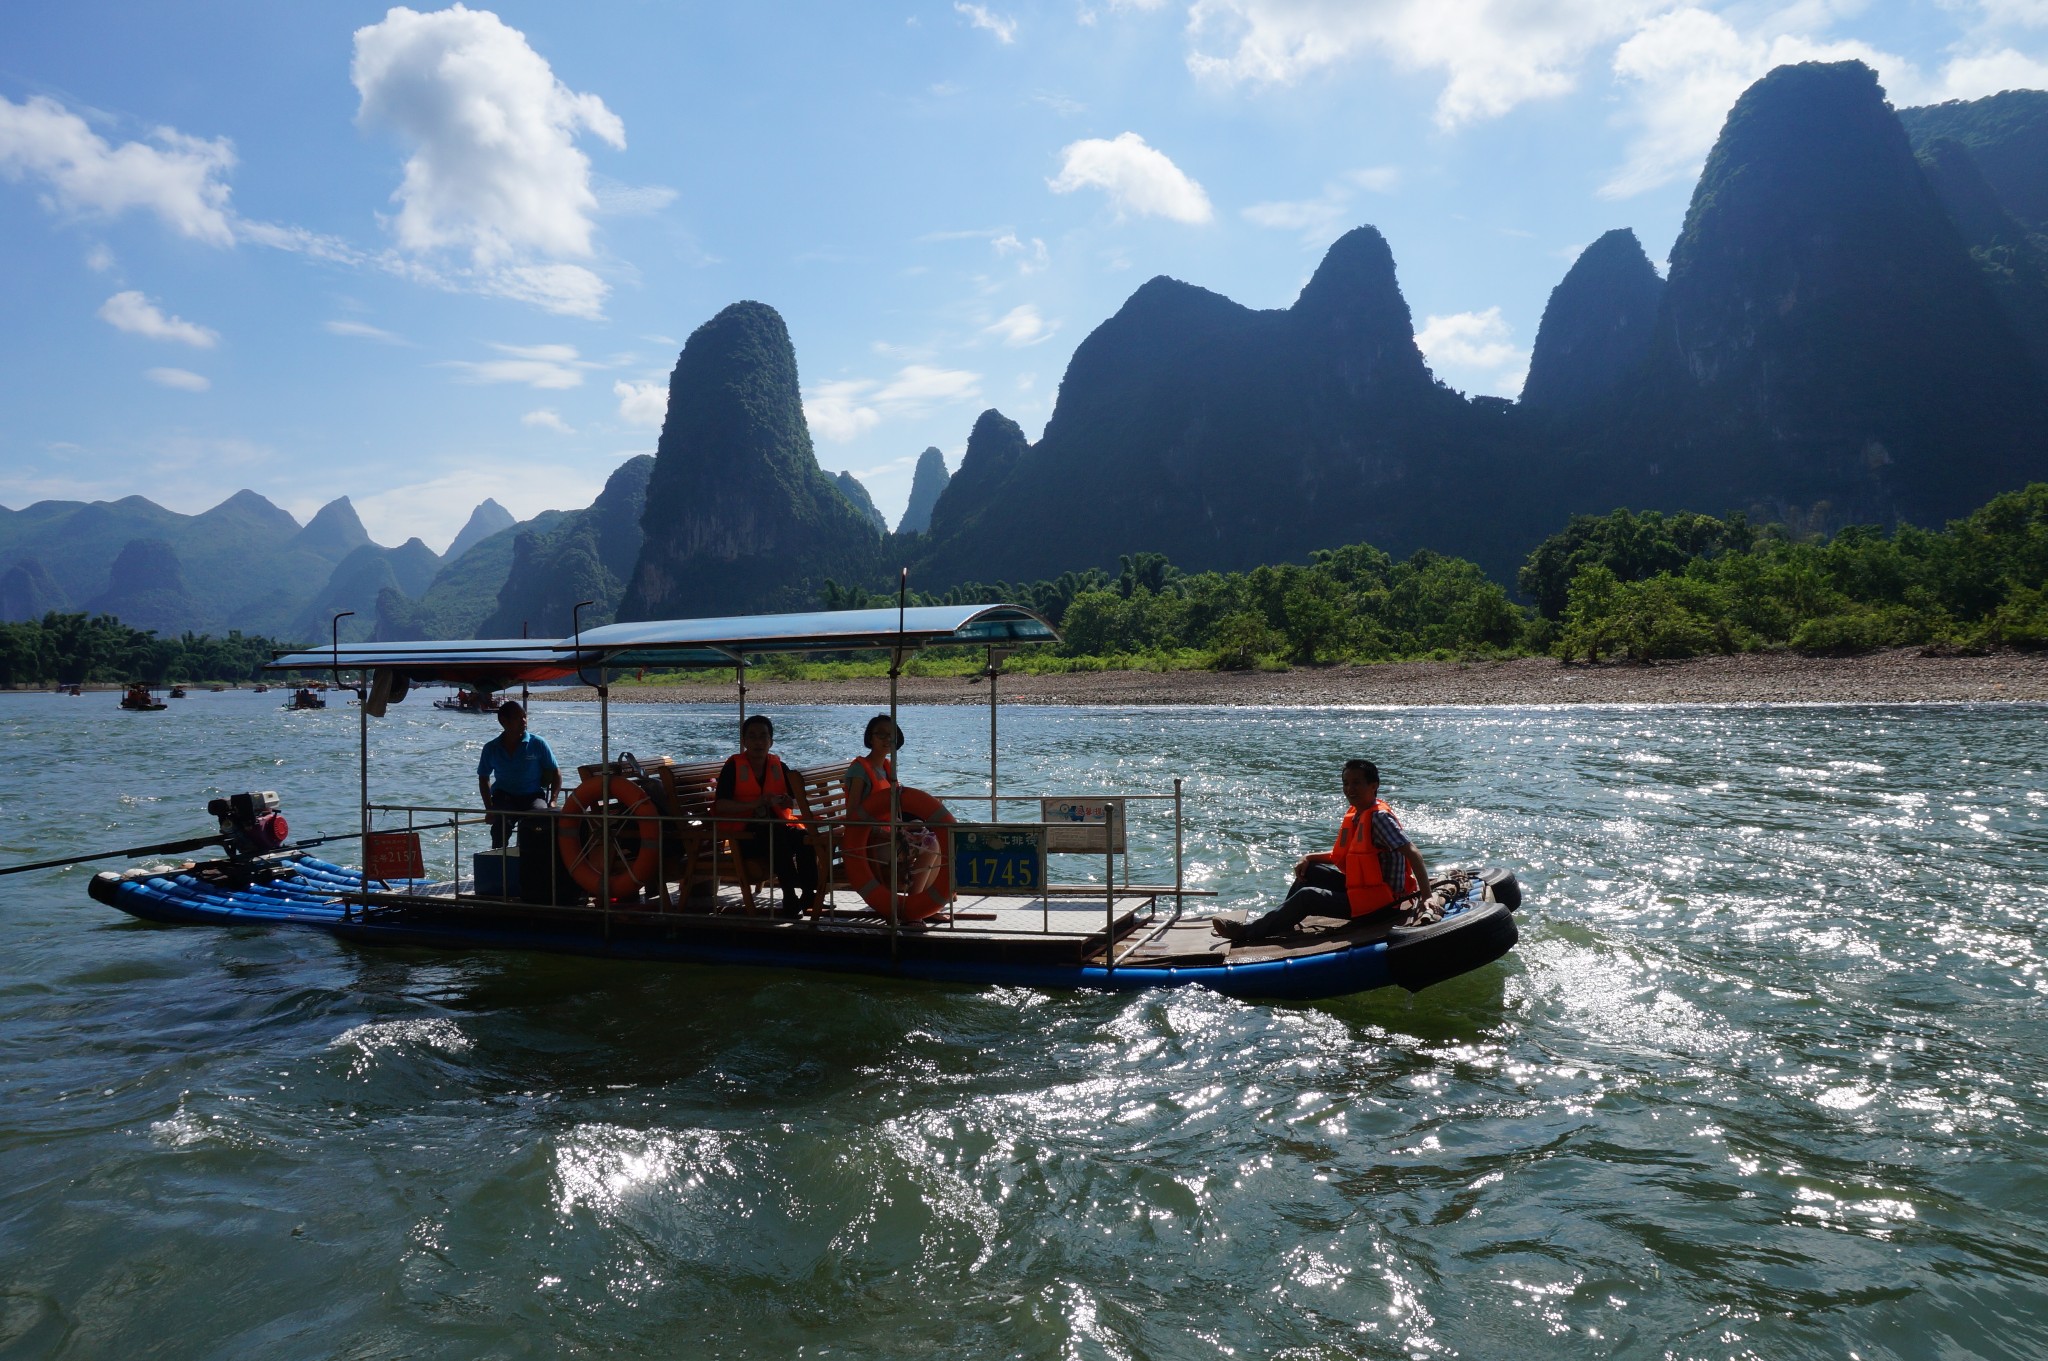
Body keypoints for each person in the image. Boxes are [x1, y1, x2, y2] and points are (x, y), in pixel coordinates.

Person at [1214, 758, 1430, 944]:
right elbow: (1340, 855)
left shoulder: (1379, 818)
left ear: (1373, 786)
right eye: (1346, 783)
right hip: (1363, 893)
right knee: (1310, 872)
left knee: (1308, 896)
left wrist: (1426, 897)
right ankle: (1280, 923)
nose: (1349, 789)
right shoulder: (1358, 813)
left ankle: (1247, 932)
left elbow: (1413, 853)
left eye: (1356, 783)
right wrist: (1308, 857)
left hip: (1380, 905)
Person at [714, 715, 818, 916]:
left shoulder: (779, 766)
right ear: (744, 741)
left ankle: (808, 894)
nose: (758, 742)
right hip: (744, 837)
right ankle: (789, 896)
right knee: (776, 836)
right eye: (752, 737)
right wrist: (757, 803)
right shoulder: (733, 767)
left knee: (805, 839)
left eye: (763, 736)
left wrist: (790, 801)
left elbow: (796, 799)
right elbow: (721, 805)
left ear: (771, 741)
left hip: (775, 829)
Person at [842, 714, 940, 897]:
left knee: (936, 837)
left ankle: (924, 903)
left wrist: (909, 824)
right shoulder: (859, 770)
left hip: (891, 835)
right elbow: (852, 814)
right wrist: (879, 831)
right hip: (871, 843)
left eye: (891, 735)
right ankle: (914, 906)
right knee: (931, 844)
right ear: (870, 738)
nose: (887, 739)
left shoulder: (886, 768)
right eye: (880, 734)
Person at [476, 700, 561, 852]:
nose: (524, 721)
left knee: (540, 821)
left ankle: (534, 863)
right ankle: (499, 864)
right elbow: (484, 778)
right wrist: (489, 808)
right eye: (518, 717)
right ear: (504, 721)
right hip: (504, 797)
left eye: (525, 716)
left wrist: (553, 801)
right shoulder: (491, 748)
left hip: (533, 796)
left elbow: (556, 772)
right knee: (500, 827)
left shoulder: (538, 743)